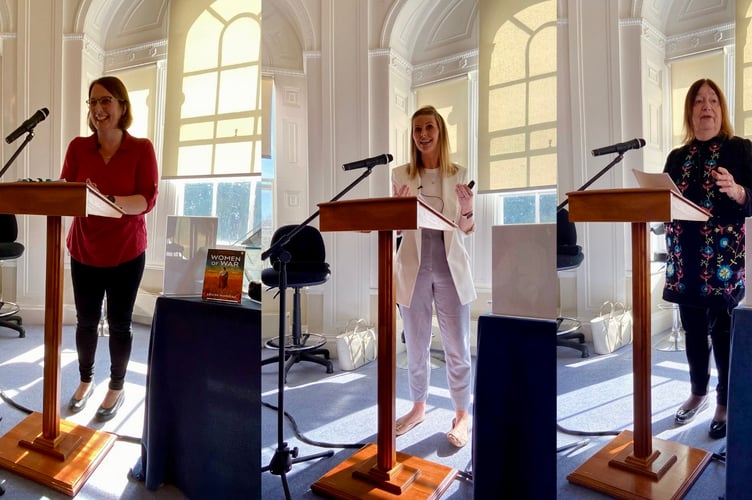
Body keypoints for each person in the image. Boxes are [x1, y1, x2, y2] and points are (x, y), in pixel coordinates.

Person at [61, 76, 159, 421]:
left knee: (119, 323)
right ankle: (86, 380)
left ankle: (116, 385)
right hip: (84, 247)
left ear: (121, 106)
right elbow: (66, 195)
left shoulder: (142, 148)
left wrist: (106, 200)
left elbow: (147, 198)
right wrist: (79, 195)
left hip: (126, 251)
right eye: (93, 102)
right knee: (86, 322)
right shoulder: (77, 147)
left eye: (105, 101)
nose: (98, 109)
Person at [663, 78, 752, 439]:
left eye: (713, 100)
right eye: (698, 100)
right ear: (690, 111)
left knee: (725, 331)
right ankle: (697, 392)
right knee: (694, 332)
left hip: (722, 262)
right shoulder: (676, 157)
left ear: (722, 109)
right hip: (684, 259)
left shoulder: (741, 150)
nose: (706, 107)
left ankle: (725, 401)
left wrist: (739, 190)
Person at [391, 105, 476, 447]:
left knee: (456, 346)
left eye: (429, 127)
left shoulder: (460, 173)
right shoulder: (400, 175)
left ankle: (462, 414)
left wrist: (468, 208)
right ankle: (418, 407)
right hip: (413, 265)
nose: (423, 134)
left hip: (450, 264)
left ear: (440, 132)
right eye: (417, 130)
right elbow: (397, 230)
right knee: (416, 344)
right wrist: (395, 210)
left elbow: (467, 229)